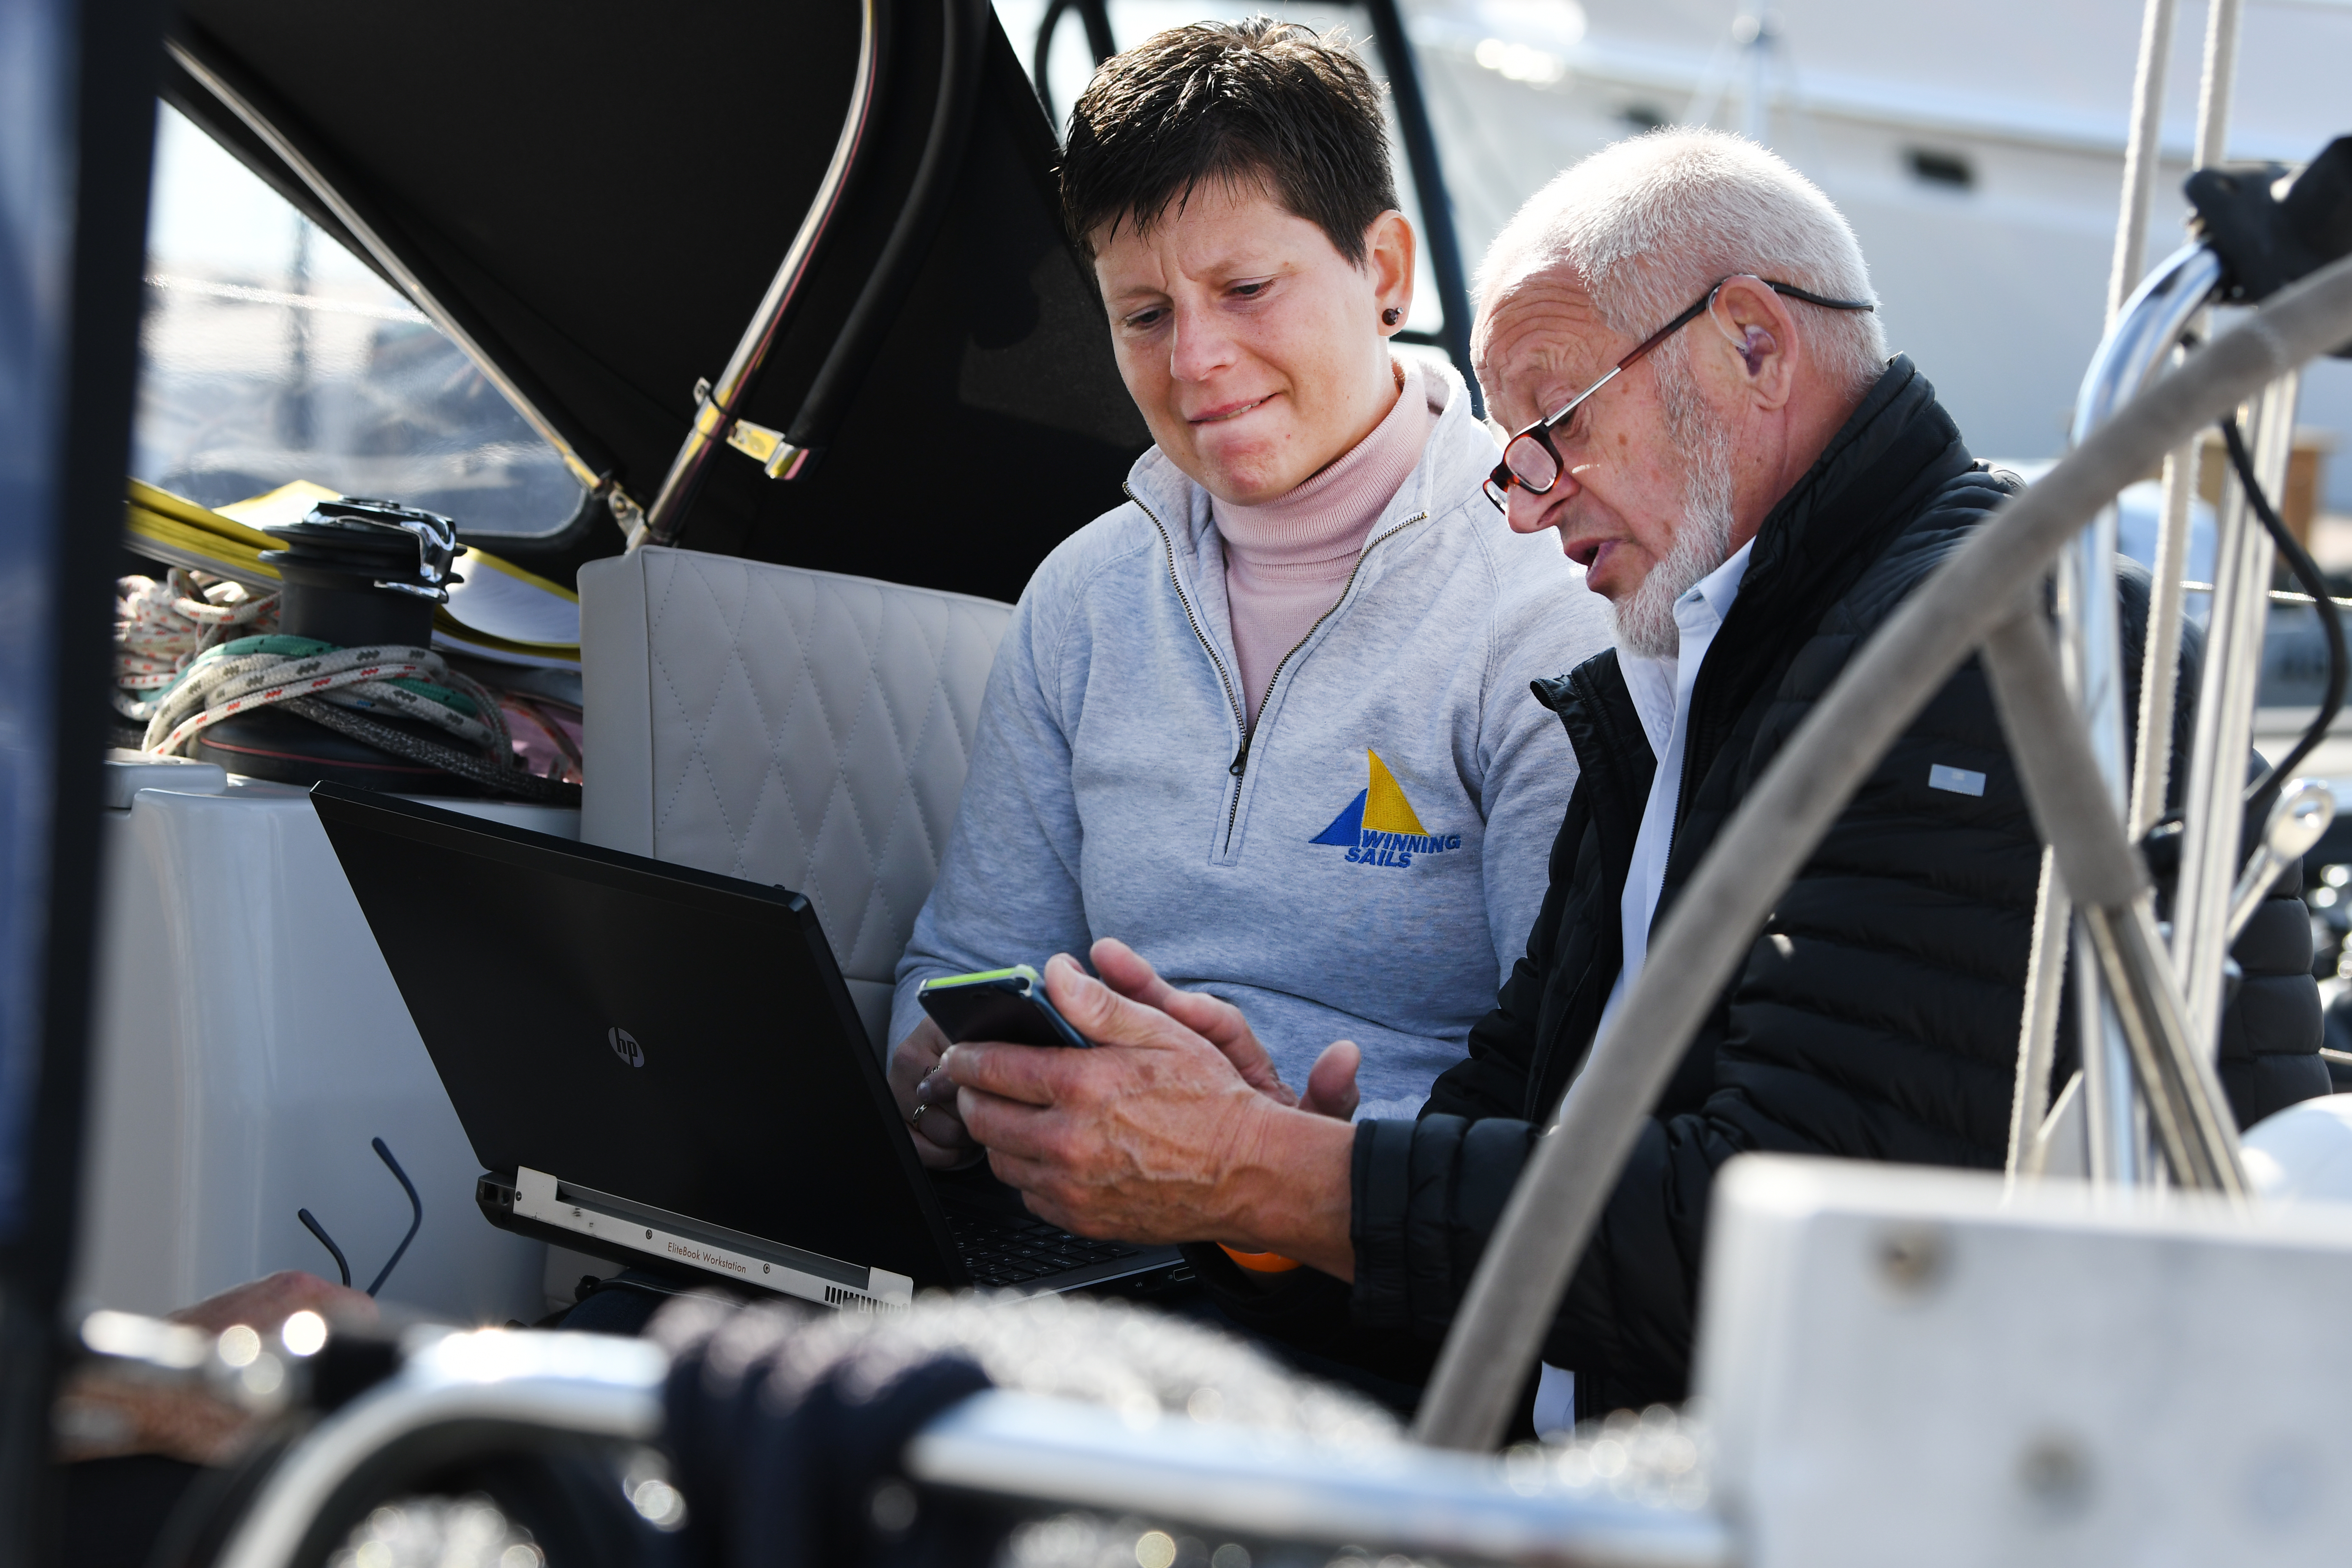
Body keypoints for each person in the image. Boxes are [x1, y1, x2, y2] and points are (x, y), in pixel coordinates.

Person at [936, 130, 2328, 1419]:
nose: (1528, 498)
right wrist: (1263, 1184)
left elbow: (1793, 1254)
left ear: (1754, 345)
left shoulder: (1980, 655)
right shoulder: (1680, 680)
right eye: (1508, 456)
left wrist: (1272, 1172)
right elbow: (1512, 1134)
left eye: (1555, 425)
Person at [886, 21, 1613, 1156]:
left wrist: (1270, 1163)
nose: (1194, 362)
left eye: (1244, 288)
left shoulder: (1551, 608)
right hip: (1068, 1230)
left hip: (1371, 1272)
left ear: (1384, 272)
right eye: (1145, 315)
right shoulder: (1079, 601)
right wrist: (938, 1085)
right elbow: (963, 961)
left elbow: (1575, 1096)